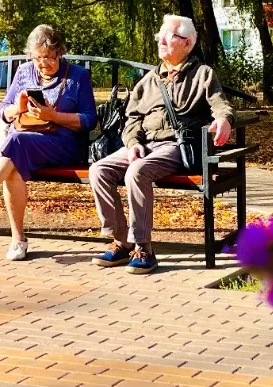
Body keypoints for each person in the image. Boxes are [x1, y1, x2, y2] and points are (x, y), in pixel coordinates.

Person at [88, 15, 233, 275]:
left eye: (169, 36)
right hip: (145, 145)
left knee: (137, 172)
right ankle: (121, 241)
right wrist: (132, 142)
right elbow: (132, 117)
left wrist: (224, 120)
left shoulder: (203, 75)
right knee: (99, 170)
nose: (162, 40)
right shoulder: (148, 81)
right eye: (161, 36)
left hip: (175, 146)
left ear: (187, 43)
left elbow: (220, 105)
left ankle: (144, 248)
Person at [0, 25, 96, 260]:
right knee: (12, 167)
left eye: (48, 57)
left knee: (16, 143)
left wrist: (54, 116)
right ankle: (18, 240)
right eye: (37, 58)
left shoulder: (77, 76)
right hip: (25, 141)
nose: (42, 64)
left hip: (64, 143)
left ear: (59, 53)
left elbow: (89, 119)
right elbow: (2, 110)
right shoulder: (25, 72)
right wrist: (17, 108)